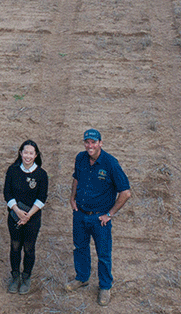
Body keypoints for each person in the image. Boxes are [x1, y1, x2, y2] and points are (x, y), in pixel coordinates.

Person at [66, 128, 131, 307]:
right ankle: (82, 277)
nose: (90, 145)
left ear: (100, 143)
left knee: (103, 254)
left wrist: (110, 214)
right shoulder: (80, 158)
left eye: (93, 142)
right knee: (80, 247)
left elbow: (125, 193)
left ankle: (105, 286)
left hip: (99, 219)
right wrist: (72, 198)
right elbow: (76, 179)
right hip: (80, 214)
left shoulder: (110, 163)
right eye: (87, 142)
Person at [3, 139, 49, 295]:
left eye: (31, 153)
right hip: (14, 216)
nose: (28, 156)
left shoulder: (41, 174)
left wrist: (28, 215)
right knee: (15, 246)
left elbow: (42, 198)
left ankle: (26, 277)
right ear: (20, 153)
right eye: (25, 152)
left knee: (29, 248)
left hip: (32, 219)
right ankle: (15, 276)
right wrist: (16, 210)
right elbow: (7, 193)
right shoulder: (12, 170)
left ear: (36, 155)